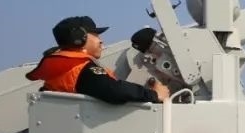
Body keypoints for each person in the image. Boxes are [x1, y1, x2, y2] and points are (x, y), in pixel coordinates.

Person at [26, 16, 169, 104]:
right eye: (95, 35)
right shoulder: (80, 69)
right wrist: (154, 95)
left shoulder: (66, 67)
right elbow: (114, 90)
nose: (101, 41)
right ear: (79, 38)